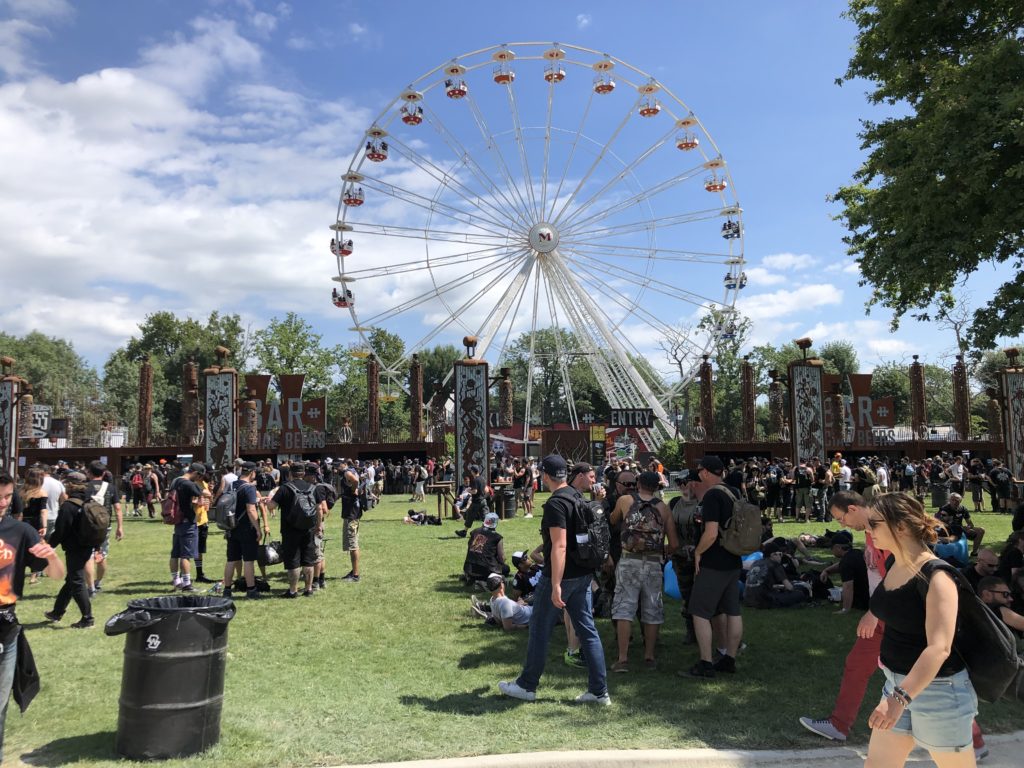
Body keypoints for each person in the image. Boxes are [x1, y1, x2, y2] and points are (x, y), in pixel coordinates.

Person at [863, 492, 979, 767]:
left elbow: (939, 648)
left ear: (901, 527)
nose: (868, 529)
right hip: (896, 684)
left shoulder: (937, 576)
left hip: (939, 691)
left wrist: (899, 699)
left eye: (874, 523)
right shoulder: (894, 562)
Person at [498, 454, 609, 705]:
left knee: (539, 629)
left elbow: (559, 546)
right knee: (588, 631)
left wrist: (556, 584)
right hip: (583, 573)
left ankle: (527, 685)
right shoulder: (575, 495)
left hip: (561, 575)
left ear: (545, 475)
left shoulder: (556, 503)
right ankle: (599, 691)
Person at [0, 472, 64, 763]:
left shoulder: (19, 530)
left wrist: (51, 557)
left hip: (5, 628)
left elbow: (56, 575)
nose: (2, 503)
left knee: (0, 702)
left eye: (6, 496)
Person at [608, 470, 678, 672]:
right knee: (652, 608)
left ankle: (622, 659)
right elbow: (673, 543)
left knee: (624, 608)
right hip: (653, 563)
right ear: (657, 486)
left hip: (629, 560)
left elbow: (613, 520)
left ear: (638, 484)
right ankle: (649, 657)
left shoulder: (624, 500)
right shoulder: (663, 508)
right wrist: (661, 550)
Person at [685, 455, 744, 678]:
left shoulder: (712, 496)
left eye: (700, 470)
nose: (698, 474)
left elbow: (710, 533)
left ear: (707, 472)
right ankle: (729, 658)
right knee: (733, 611)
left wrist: (698, 552)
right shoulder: (734, 491)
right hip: (733, 558)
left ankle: (705, 662)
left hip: (714, 561)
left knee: (699, 611)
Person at [43, 471, 96, 628]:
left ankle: (87, 618)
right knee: (72, 580)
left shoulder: (69, 505)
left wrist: (49, 546)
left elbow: (61, 530)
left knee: (76, 581)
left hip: (75, 547)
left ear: (71, 485)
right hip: (88, 545)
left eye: (66, 483)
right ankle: (57, 612)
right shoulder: (90, 500)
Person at [268, 462, 321, 597]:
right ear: (303, 473)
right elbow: (320, 509)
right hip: (309, 528)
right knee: (308, 560)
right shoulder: (313, 488)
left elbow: (271, 506)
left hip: (290, 529)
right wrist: (318, 525)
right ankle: (308, 589)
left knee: (293, 561)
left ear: (290, 474)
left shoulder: (285, 488)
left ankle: (293, 590)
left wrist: (268, 500)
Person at [222, 462, 269, 600]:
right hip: (246, 528)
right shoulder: (249, 488)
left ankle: (227, 590)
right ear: (252, 473)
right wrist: (258, 528)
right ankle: (251, 589)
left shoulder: (232, 485)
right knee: (249, 560)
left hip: (231, 527)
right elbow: (251, 509)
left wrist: (259, 499)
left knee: (232, 559)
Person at [83, 460, 122, 596]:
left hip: (87, 525)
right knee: (102, 555)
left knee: (88, 556)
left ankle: (90, 587)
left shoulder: (85, 487)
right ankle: (98, 582)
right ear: (104, 473)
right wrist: (120, 527)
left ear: (88, 472)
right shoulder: (111, 487)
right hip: (105, 525)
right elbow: (117, 508)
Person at [168, 462, 208, 592]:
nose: (200, 479)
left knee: (175, 553)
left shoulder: (176, 481)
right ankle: (186, 584)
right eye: (200, 476)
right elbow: (205, 493)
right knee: (186, 554)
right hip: (187, 520)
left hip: (177, 519)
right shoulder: (188, 483)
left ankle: (176, 581)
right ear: (196, 473)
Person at [817, 530, 870, 614]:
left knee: (836, 594)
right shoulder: (857, 552)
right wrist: (827, 570)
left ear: (838, 547)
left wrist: (845, 609)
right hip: (872, 594)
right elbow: (840, 565)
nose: (831, 550)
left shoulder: (846, 563)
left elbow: (848, 586)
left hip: (863, 601)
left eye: (832, 548)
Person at [463, 512, 507, 583]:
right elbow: (502, 558)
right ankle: (485, 580)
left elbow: (470, 548)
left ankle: (471, 578)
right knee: (506, 569)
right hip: (486, 569)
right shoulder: (497, 537)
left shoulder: (474, 532)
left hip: (468, 568)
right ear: (495, 524)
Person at [976, 576, 1024, 641]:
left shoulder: (978, 611)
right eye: (1005, 594)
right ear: (987, 594)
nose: (1011, 599)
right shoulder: (997, 609)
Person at [337, 459, 361, 582]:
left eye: (339, 465)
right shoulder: (351, 471)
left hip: (351, 512)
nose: (337, 467)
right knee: (352, 543)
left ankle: (356, 575)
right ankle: (354, 571)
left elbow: (356, 481)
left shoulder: (347, 472)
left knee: (353, 544)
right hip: (352, 511)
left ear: (344, 464)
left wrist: (353, 490)